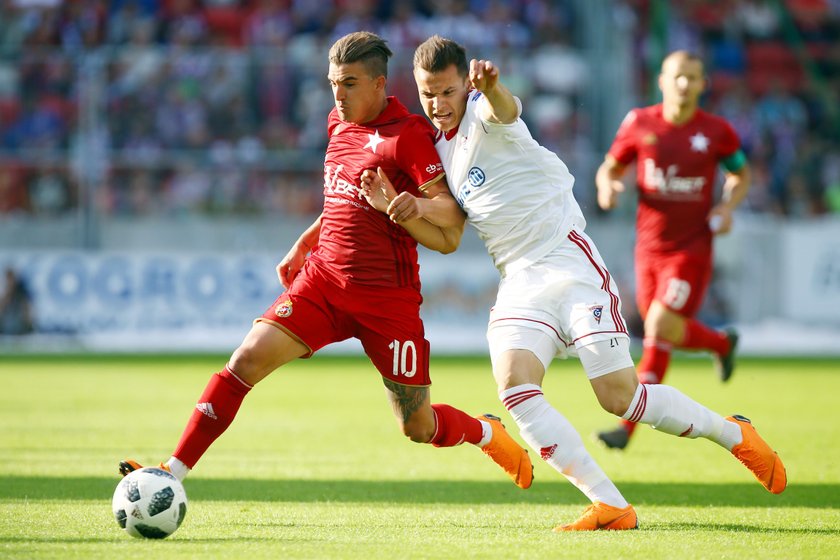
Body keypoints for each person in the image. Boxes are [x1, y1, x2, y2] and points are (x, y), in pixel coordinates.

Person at [362, 35, 785, 532]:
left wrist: (492, 88)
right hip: (518, 278)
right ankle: (610, 504)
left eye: (447, 91)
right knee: (515, 387)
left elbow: (506, 108)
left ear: (465, 86)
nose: (438, 104)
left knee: (619, 397)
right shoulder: (434, 147)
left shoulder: (484, 110)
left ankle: (732, 433)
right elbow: (450, 213)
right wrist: (397, 203)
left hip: (568, 261)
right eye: (428, 93)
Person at [119, 31, 534, 492]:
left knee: (416, 426)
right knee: (245, 360)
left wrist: (401, 203)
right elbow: (341, 196)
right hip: (323, 282)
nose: (339, 93)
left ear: (379, 84)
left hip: (387, 300)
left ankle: (484, 431)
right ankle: (169, 472)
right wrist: (305, 241)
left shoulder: (409, 137)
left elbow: (451, 223)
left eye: (350, 83)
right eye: (334, 82)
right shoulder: (337, 124)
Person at [594, 51, 751, 451]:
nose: (684, 84)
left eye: (693, 77)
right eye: (678, 76)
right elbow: (610, 167)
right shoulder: (639, 122)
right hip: (647, 249)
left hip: (691, 248)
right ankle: (721, 343)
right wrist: (607, 187)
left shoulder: (716, 131)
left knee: (660, 324)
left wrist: (727, 206)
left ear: (703, 84)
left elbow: (740, 172)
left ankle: (626, 429)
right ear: (662, 80)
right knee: (660, 336)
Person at [0, 267, 34, 335]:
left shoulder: (21, 291)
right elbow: (2, 307)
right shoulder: (7, 292)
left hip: (19, 322)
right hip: (8, 322)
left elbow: (27, 310)